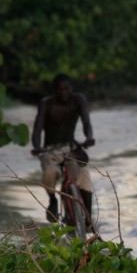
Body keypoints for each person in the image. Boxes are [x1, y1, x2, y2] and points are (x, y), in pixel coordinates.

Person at [31, 73, 96, 225]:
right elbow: (37, 129)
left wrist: (89, 138)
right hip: (49, 150)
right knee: (50, 172)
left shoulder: (78, 100)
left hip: (70, 148)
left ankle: (88, 219)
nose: (63, 93)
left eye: (66, 89)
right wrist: (37, 148)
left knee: (84, 177)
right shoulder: (46, 103)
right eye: (59, 90)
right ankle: (52, 199)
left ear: (71, 88)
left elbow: (87, 123)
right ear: (54, 90)